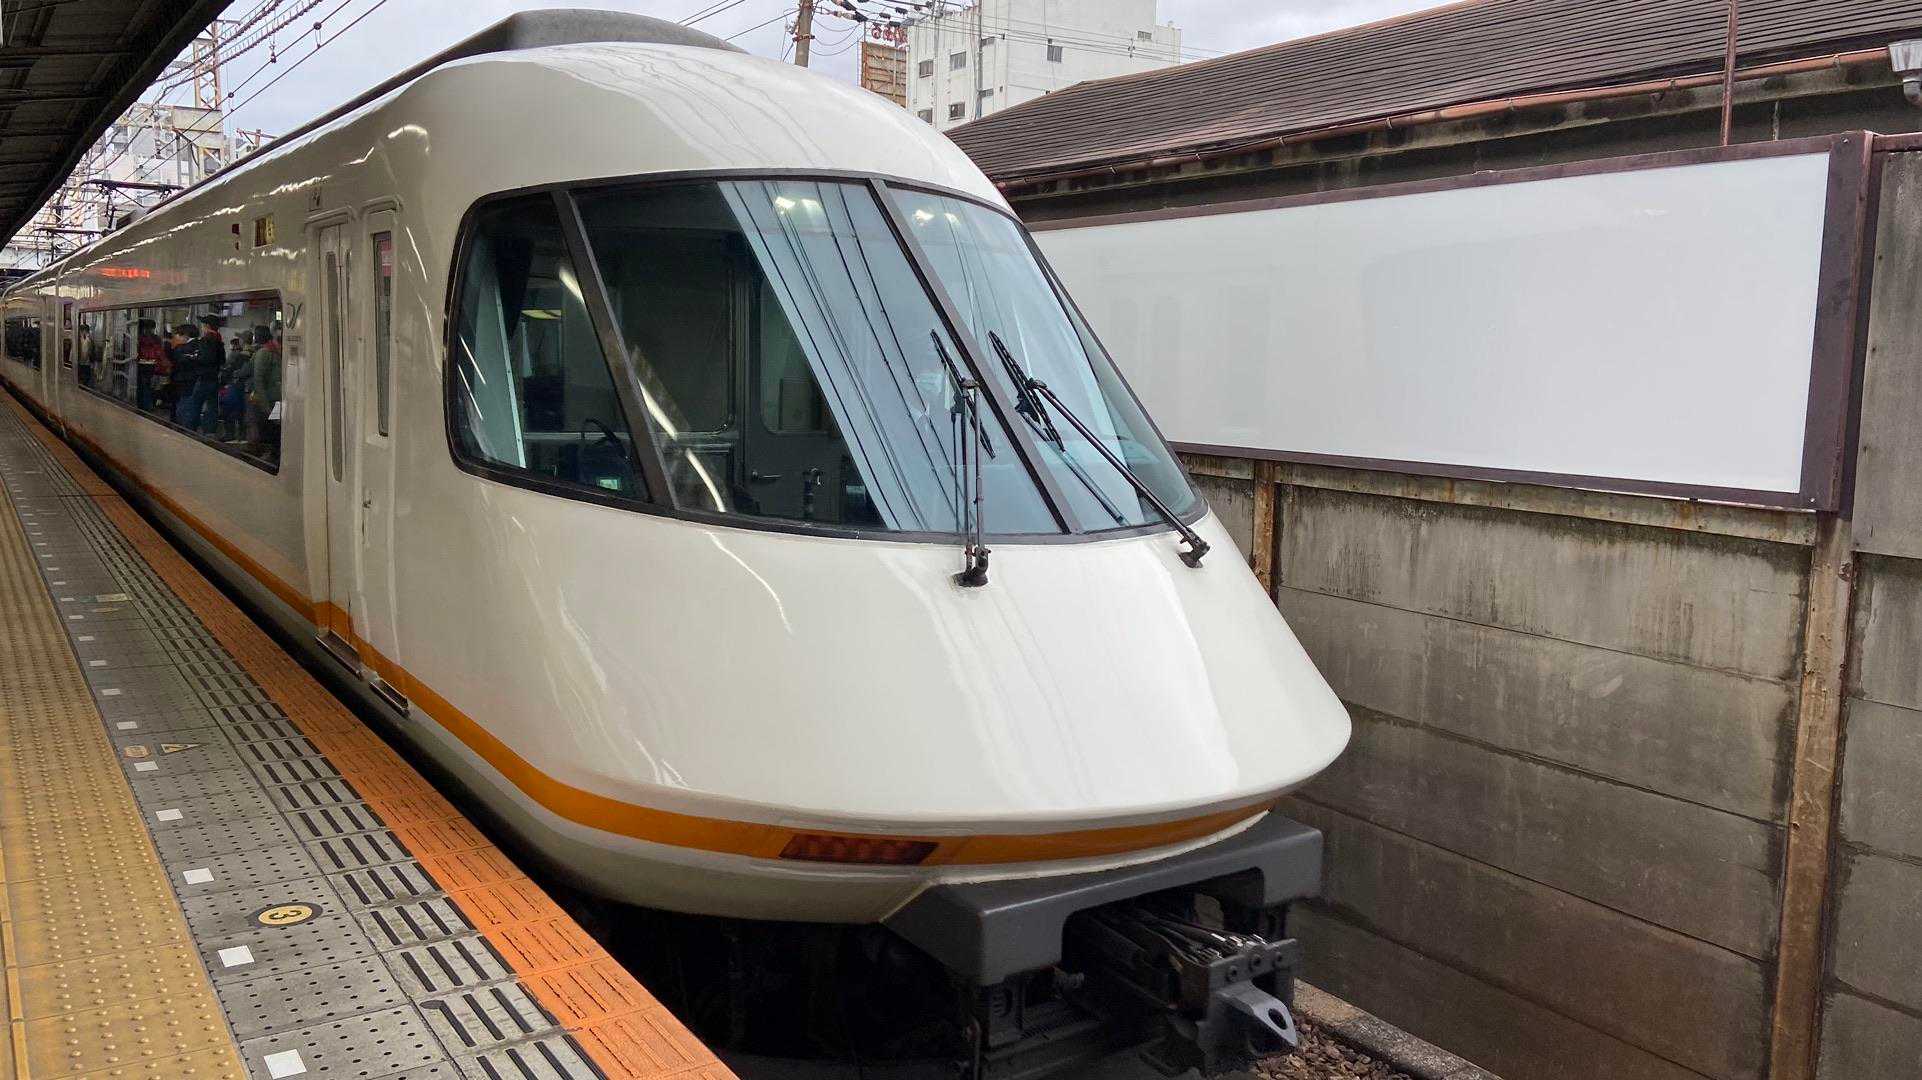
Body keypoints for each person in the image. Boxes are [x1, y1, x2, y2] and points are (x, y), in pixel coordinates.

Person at [175, 314, 224, 432]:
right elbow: (222, 360)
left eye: (203, 325)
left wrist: (192, 357)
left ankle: (189, 429)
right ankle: (210, 431)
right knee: (212, 406)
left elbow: (205, 358)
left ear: (207, 326)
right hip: (214, 377)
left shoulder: (207, 339)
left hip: (203, 377)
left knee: (194, 404)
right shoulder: (219, 340)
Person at [247, 324, 282, 461]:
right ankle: (274, 454)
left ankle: (269, 454)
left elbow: (259, 380)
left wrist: (265, 406)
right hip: (277, 398)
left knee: (268, 427)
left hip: (268, 399)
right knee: (276, 428)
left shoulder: (263, 353)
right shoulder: (274, 351)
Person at [218, 330, 253, 441]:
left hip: (237, 386)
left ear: (243, 341)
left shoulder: (240, 355)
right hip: (247, 388)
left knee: (230, 410)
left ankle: (230, 434)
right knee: (242, 412)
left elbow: (231, 370)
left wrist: (226, 378)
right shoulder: (254, 353)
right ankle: (242, 436)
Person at [135, 319, 163, 412]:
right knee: (150, 386)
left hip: (142, 364)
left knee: (142, 386)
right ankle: (149, 405)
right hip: (153, 365)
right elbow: (159, 353)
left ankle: (142, 406)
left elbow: (137, 351)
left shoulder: (140, 338)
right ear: (154, 328)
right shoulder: (157, 339)